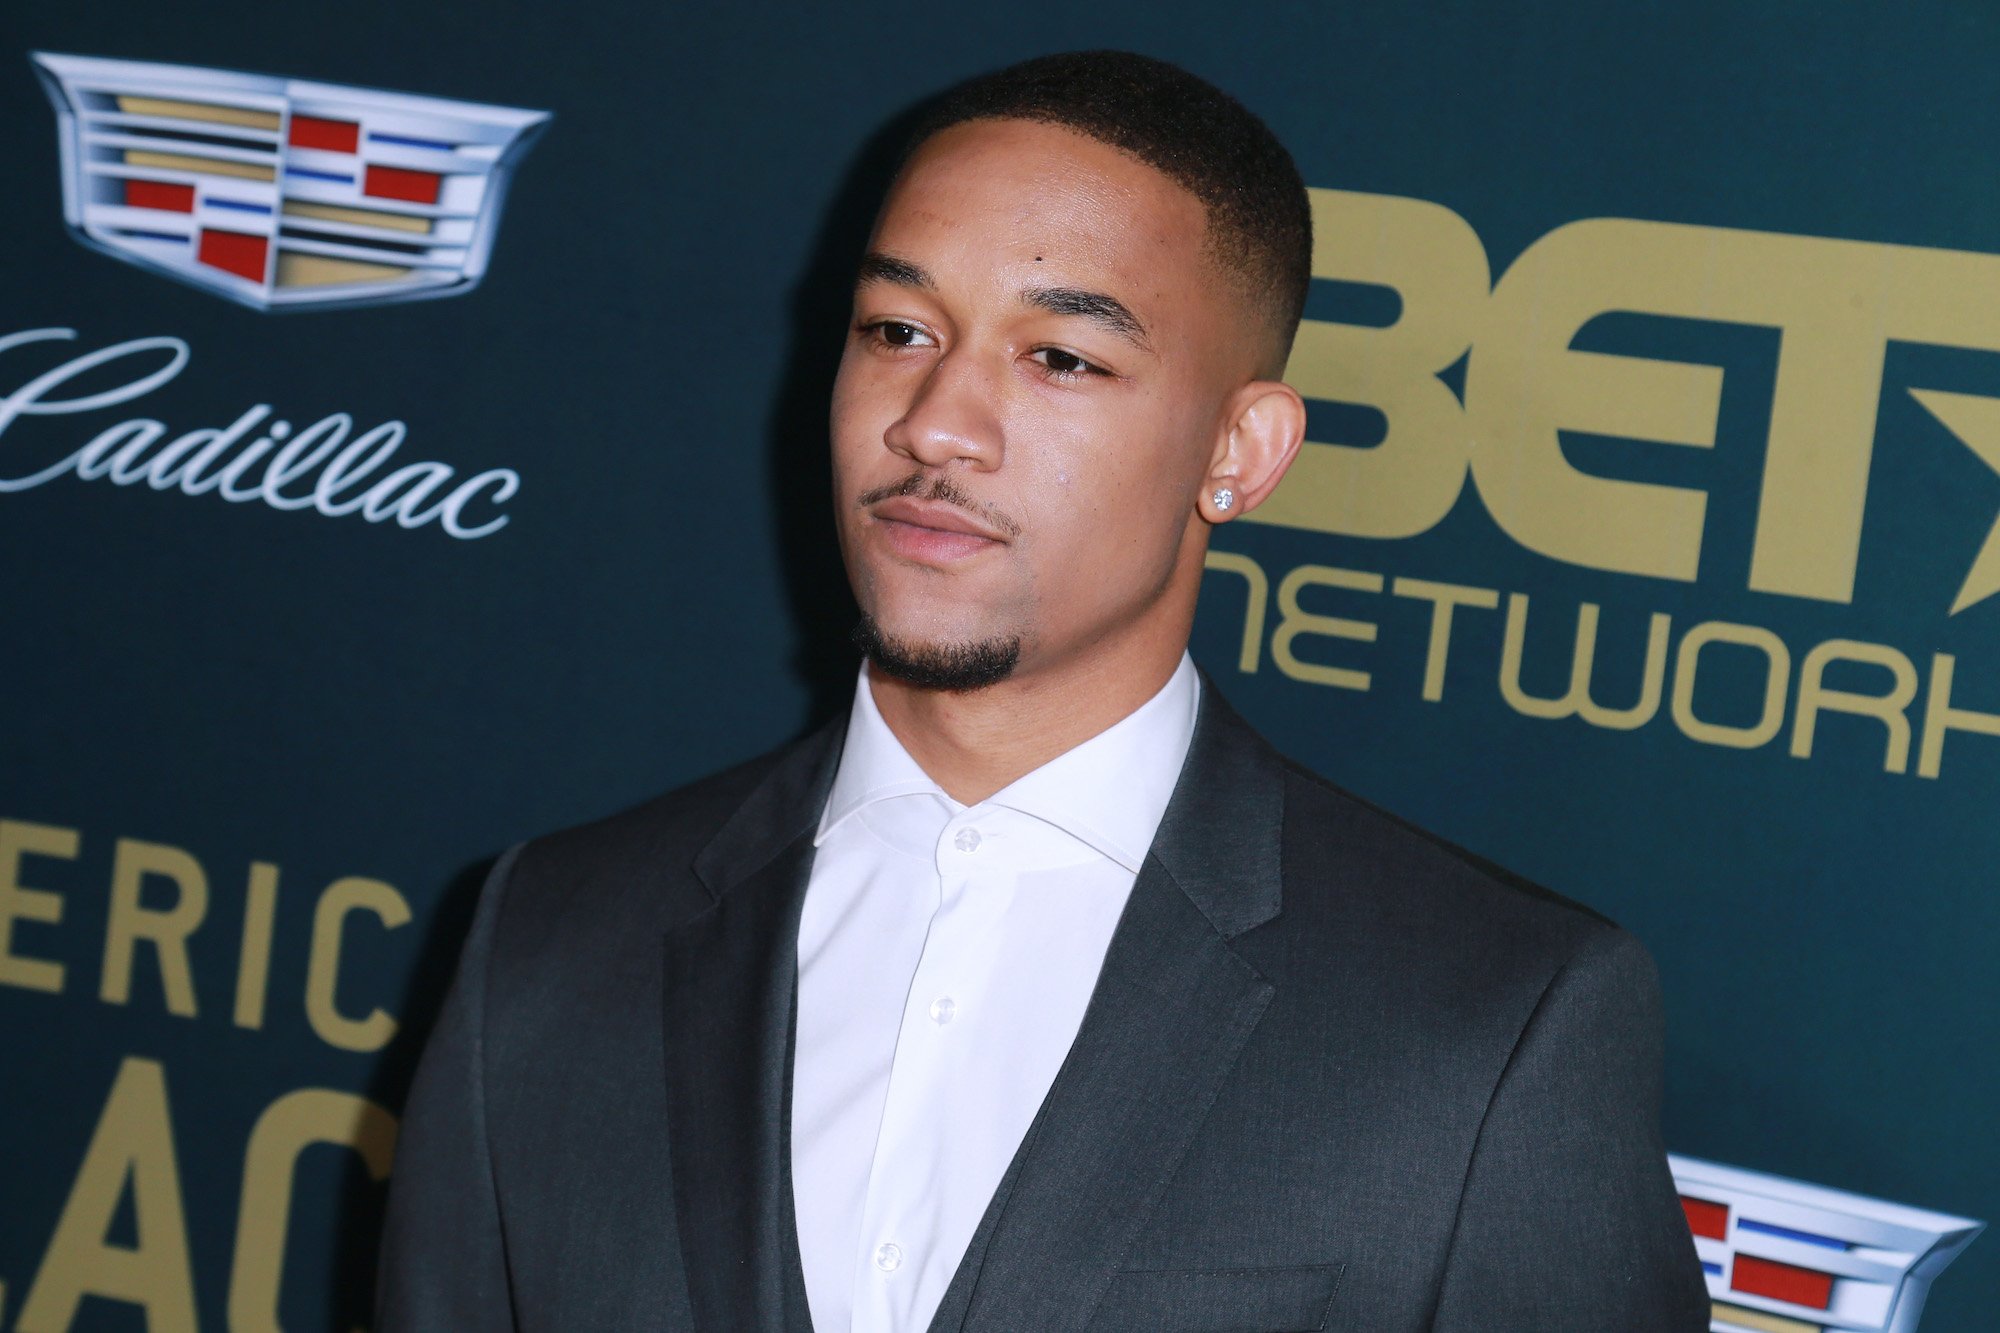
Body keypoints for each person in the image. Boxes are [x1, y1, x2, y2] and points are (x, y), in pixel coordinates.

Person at [376, 49, 1709, 1332]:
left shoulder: (1491, 1022)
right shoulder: (550, 938)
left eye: (1061, 358)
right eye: (899, 329)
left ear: (1240, 451)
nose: (936, 421)